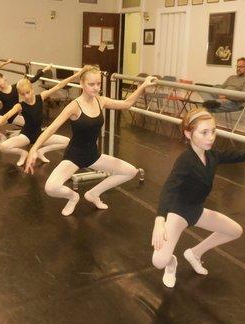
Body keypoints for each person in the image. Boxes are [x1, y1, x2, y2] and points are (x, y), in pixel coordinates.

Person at [151, 107, 245, 288]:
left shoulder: (212, 155)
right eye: (204, 132)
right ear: (188, 133)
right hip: (178, 213)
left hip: (197, 210)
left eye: (213, 131)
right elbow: (169, 188)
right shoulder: (185, 161)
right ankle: (171, 263)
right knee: (159, 261)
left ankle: (194, 253)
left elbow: (241, 155)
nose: (211, 137)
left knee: (235, 231)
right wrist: (160, 220)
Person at [24, 66, 156, 216]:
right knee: (50, 188)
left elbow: (126, 104)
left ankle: (93, 194)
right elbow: (51, 128)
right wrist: (33, 149)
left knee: (131, 172)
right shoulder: (74, 106)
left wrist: (143, 85)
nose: (96, 88)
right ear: (82, 83)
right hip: (74, 156)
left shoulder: (101, 101)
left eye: (98, 84)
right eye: (91, 84)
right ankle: (73, 197)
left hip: (93, 155)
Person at [0, 67, 83, 166]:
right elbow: (7, 115)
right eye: (22, 94)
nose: (26, 96)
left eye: (28, 92)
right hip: (26, 136)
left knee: (66, 141)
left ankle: (41, 151)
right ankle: (23, 153)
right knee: (3, 147)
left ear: (32, 89)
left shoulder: (41, 97)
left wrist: (77, 75)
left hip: (41, 134)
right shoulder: (20, 106)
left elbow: (59, 86)